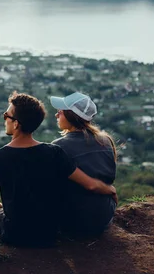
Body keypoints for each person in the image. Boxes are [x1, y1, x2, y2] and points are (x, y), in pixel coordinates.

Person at [0, 92, 117, 247]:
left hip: (24, 230)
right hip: (59, 228)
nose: (56, 114)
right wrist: (110, 190)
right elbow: (89, 183)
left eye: (6, 115)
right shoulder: (58, 151)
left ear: (16, 123)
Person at [50, 91, 117, 236]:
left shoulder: (58, 147)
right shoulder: (105, 141)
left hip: (73, 221)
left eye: (60, 112)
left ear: (70, 115)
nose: (56, 115)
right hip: (104, 217)